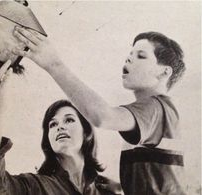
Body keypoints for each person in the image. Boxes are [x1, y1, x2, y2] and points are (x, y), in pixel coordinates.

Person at [12, 27, 186, 194]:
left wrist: (53, 64)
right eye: (129, 54)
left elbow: (102, 117)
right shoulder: (157, 114)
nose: (128, 59)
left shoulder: (156, 108)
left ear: (165, 72)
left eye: (141, 56)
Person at [0, 56, 122, 195]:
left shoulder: (110, 189)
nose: (60, 127)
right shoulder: (35, 186)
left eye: (69, 120)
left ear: (86, 133)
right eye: (52, 124)